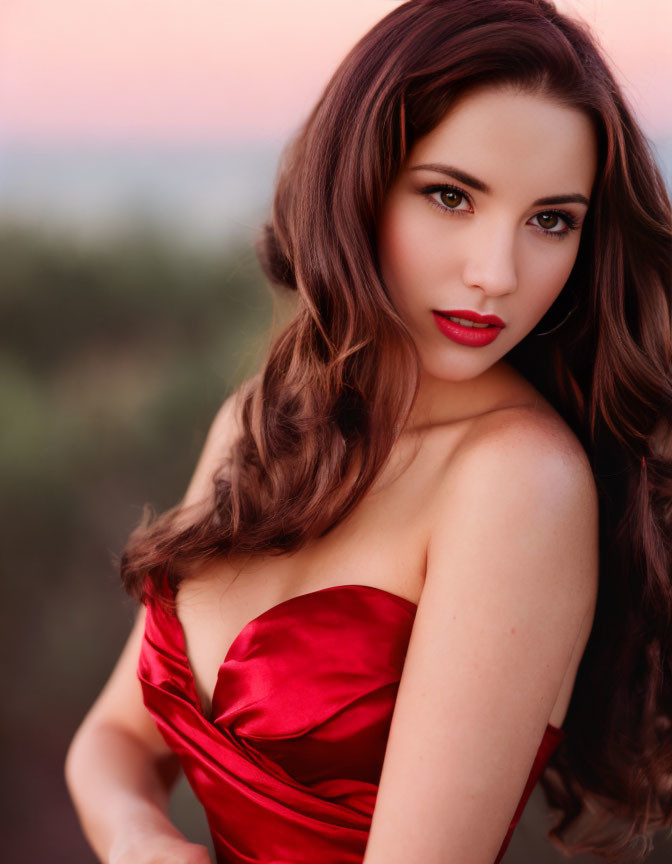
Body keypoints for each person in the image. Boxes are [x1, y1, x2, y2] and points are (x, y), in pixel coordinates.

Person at [65, 0, 672, 862]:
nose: (496, 274)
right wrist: (137, 841)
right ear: (357, 182)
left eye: (551, 220)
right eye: (452, 196)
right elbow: (113, 743)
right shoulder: (257, 425)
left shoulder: (518, 481)